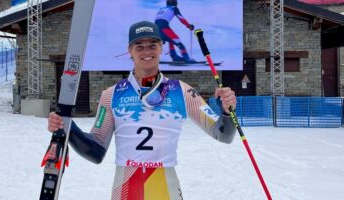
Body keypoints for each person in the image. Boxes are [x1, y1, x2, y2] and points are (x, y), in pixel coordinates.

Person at [48, 21, 237, 200]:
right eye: (139, 46)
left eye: (152, 45)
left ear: (161, 48)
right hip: (126, 188)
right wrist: (68, 127)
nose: (146, 51)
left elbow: (223, 135)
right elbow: (96, 151)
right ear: (129, 51)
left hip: (165, 187)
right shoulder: (111, 95)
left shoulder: (183, 91)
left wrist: (227, 112)